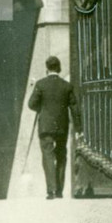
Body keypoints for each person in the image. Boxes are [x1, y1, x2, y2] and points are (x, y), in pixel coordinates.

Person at [27, 55, 82, 199]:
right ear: (59, 68)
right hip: (62, 126)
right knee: (61, 156)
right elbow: (75, 109)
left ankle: (51, 190)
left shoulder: (40, 84)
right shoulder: (67, 86)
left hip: (45, 126)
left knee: (48, 156)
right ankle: (59, 191)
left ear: (47, 69)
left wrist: (42, 108)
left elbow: (31, 104)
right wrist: (79, 129)